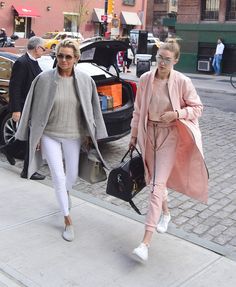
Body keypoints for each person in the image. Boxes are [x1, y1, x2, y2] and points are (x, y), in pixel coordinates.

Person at [15, 39, 108, 242]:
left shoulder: (85, 81)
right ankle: (67, 219)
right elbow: (32, 108)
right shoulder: (43, 79)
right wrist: (35, 134)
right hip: (50, 135)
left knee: (72, 175)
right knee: (58, 176)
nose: (63, 60)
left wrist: (92, 135)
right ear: (56, 57)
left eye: (68, 56)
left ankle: (64, 196)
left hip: (74, 136)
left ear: (76, 58)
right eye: (60, 56)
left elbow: (92, 111)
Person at [129, 39, 208, 261]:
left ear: (176, 60)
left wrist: (177, 114)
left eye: (167, 59)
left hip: (170, 136)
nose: (162, 63)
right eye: (159, 58)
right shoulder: (145, 79)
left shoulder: (182, 81)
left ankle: (145, 243)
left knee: (156, 185)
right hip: (148, 135)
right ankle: (166, 213)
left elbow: (198, 108)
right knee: (154, 178)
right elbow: (138, 110)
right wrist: (134, 135)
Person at [0, 36, 46, 180]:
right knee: (31, 139)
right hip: (24, 107)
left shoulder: (34, 62)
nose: (43, 51)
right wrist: (16, 110)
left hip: (33, 107)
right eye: (43, 48)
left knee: (27, 137)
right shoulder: (22, 62)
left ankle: (8, 149)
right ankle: (27, 171)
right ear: (37, 48)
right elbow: (15, 87)